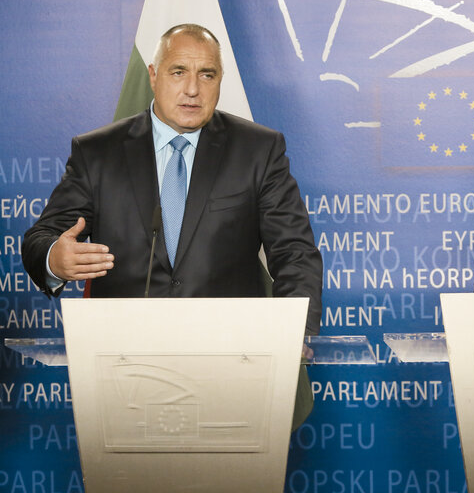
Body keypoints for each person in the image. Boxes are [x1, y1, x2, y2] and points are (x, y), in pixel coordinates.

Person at [22, 24, 322, 425]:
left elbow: (294, 251)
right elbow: (42, 237)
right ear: (153, 74)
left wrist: (291, 330)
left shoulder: (258, 150)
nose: (193, 89)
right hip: (124, 369)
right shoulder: (98, 152)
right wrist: (54, 260)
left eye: (207, 75)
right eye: (178, 71)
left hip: (234, 369)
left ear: (220, 80)